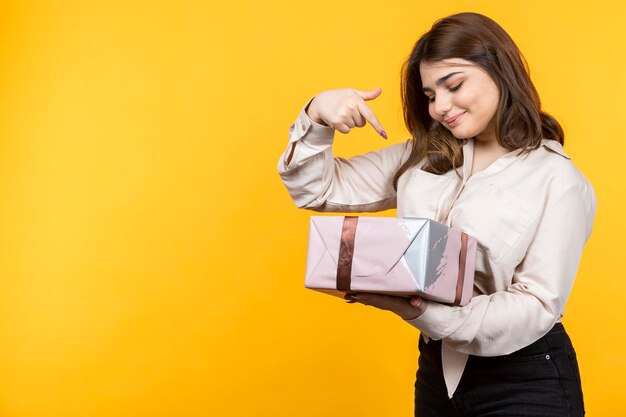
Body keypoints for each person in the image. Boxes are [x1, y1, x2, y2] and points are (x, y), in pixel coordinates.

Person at [277, 12, 595, 417]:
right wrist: (317, 114)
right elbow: (318, 189)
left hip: (527, 377)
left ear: (500, 69)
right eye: (429, 95)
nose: (440, 107)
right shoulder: (425, 156)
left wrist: (427, 313)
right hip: (437, 375)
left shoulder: (558, 179)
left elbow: (537, 304)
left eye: (454, 85)